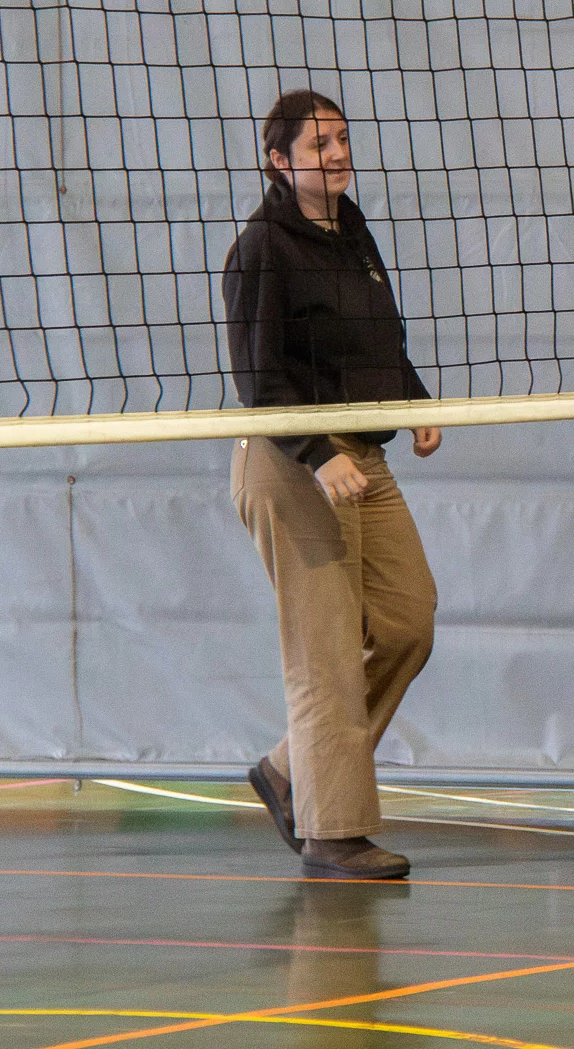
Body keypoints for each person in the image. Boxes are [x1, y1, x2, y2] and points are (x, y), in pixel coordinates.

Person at [222, 88, 443, 881]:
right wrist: (318, 453)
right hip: (293, 461)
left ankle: (291, 769)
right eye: (320, 145)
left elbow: (377, 339)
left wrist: (414, 401)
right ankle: (332, 832)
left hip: (362, 454)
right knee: (326, 655)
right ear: (278, 161)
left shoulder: (350, 230)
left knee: (408, 620)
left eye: (343, 137)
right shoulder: (262, 248)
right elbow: (260, 377)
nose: (339, 153)